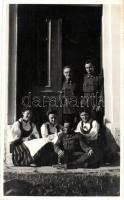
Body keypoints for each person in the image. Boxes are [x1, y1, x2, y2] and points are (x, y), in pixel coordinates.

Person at [81, 59, 104, 124]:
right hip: (86, 103)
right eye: (87, 68)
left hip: (95, 103)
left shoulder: (98, 78)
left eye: (90, 67)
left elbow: (101, 92)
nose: (88, 69)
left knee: (95, 121)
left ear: (93, 67)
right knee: (86, 121)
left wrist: (99, 104)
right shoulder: (84, 77)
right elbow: (81, 91)